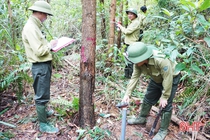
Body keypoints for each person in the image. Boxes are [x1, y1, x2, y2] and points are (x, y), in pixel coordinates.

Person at [122, 42, 181, 140]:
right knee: (148, 97)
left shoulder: (160, 60)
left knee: (165, 105)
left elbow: (167, 78)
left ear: (143, 58)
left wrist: (164, 96)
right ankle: (142, 118)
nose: (134, 63)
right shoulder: (138, 64)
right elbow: (134, 77)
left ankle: (163, 130)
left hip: (171, 77)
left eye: (135, 60)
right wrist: (127, 94)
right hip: (156, 78)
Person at [22, 0, 59, 133]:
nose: (46, 18)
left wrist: (50, 46)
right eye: (46, 15)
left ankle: (43, 113)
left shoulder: (35, 26)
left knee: (44, 91)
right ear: (40, 13)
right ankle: (43, 124)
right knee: (41, 94)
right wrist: (51, 45)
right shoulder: (31, 27)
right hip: (40, 65)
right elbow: (39, 51)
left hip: (43, 64)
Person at [117, 8, 141, 79]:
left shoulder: (136, 22)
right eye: (128, 14)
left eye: (131, 14)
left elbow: (127, 31)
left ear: (135, 15)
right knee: (127, 60)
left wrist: (120, 27)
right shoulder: (132, 22)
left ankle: (130, 77)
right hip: (128, 44)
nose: (129, 15)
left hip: (132, 45)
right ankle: (126, 76)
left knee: (130, 61)